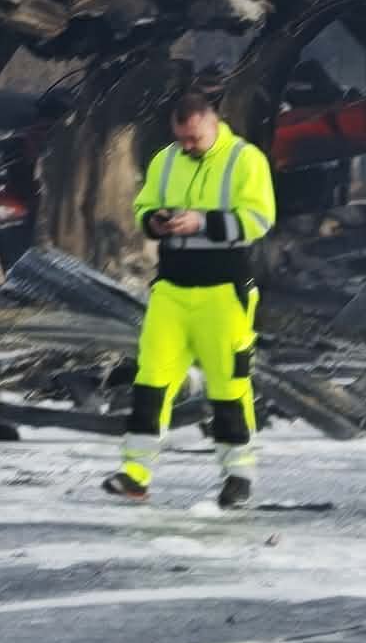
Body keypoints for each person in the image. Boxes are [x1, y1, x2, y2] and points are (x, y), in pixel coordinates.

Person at [103, 82, 277, 510]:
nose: (187, 146)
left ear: (213, 124)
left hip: (224, 291)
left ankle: (238, 476)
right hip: (172, 290)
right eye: (181, 138)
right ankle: (135, 474)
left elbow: (259, 219)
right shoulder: (166, 160)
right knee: (150, 381)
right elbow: (143, 207)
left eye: (194, 138)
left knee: (229, 385)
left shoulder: (245, 160)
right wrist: (155, 222)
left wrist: (202, 223)